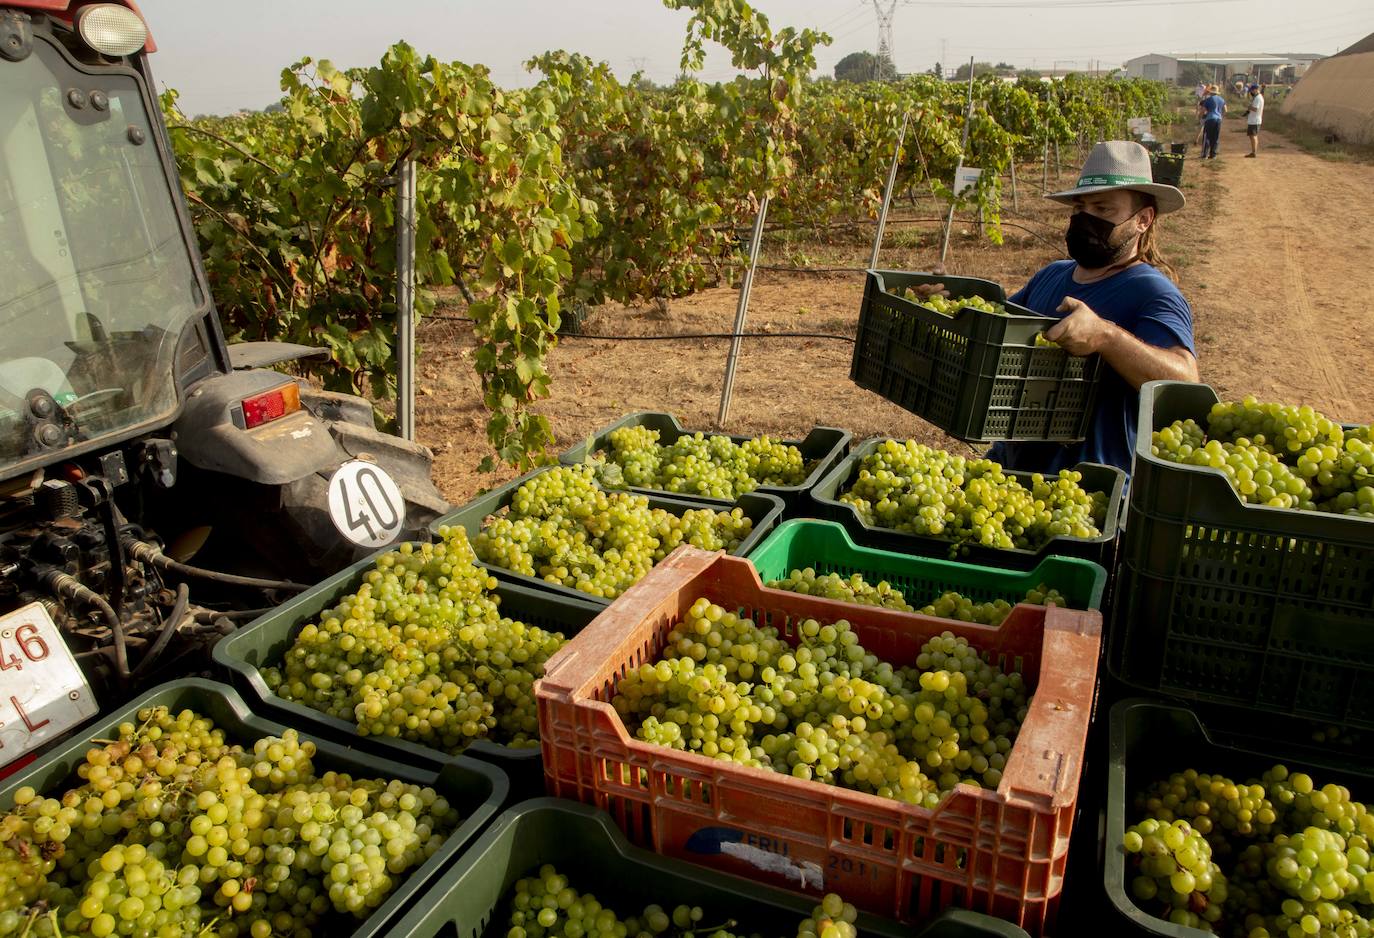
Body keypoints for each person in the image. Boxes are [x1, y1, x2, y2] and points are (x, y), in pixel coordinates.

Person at [917, 141, 1199, 476]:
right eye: (1081, 208)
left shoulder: (1152, 292)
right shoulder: (1053, 275)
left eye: (1103, 209)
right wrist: (947, 302)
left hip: (1087, 488)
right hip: (1015, 470)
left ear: (1143, 220)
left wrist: (1107, 337)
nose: (1086, 219)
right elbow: (994, 333)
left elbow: (1185, 383)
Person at [1198, 84, 1226, 158]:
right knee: (1215, 137)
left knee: (1206, 137)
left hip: (1210, 119)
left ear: (1210, 92)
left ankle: (1204, 154)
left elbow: (1203, 111)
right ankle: (1213, 154)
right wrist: (1220, 115)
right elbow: (1225, 110)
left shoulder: (1208, 100)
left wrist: (1199, 117)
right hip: (1218, 120)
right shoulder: (1222, 99)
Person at [1244, 83, 1264, 157]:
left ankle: (1254, 152)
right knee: (1253, 136)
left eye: (1251, 90)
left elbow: (1255, 109)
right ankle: (1253, 151)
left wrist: (1249, 106)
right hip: (1254, 119)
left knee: (1253, 136)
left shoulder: (1258, 98)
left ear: (1255, 90)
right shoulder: (1257, 97)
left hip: (1255, 120)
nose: (1251, 92)